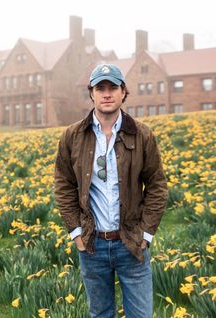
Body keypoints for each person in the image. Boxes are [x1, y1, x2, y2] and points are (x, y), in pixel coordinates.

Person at [54, 63, 168, 318]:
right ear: (91, 93)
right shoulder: (73, 136)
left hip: (131, 244)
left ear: (123, 92)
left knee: (141, 315)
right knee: (101, 314)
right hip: (92, 245)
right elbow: (63, 185)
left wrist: (146, 235)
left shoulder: (142, 135)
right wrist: (76, 233)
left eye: (113, 87)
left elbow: (157, 186)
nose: (106, 93)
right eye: (100, 88)